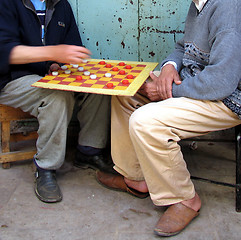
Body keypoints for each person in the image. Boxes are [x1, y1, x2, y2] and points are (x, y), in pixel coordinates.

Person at [96, 0, 241, 237]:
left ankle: (185, 199)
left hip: (226, 100)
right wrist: (169, 67)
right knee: (126, 94)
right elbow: (184, 47)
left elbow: (222, 82)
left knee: (146, 121)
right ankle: (137, 179)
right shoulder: (198, 5)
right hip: (196, 83)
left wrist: (168, 91)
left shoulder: (228, 8)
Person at [0, 0, 113, 203]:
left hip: (47, 74)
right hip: (12, 79)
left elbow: (73, 47)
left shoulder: (61, 5)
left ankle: (89, 151)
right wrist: (53, 52)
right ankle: (45, 168)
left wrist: (57, 63)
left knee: (99, 88)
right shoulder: (7, 3)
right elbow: (5, 52)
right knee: (56, 95)